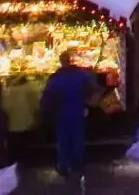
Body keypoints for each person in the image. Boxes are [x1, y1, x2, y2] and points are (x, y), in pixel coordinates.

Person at [40, 50, 97, 185]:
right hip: (78, 113)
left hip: (61, 115)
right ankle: (77, 164)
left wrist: (45, 113)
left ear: (61, 62)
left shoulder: (56, 79)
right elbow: (92, 91)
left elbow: (47, 98)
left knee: (63, 140)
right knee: (78, 139)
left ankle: (64, 165)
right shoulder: (82, 75)